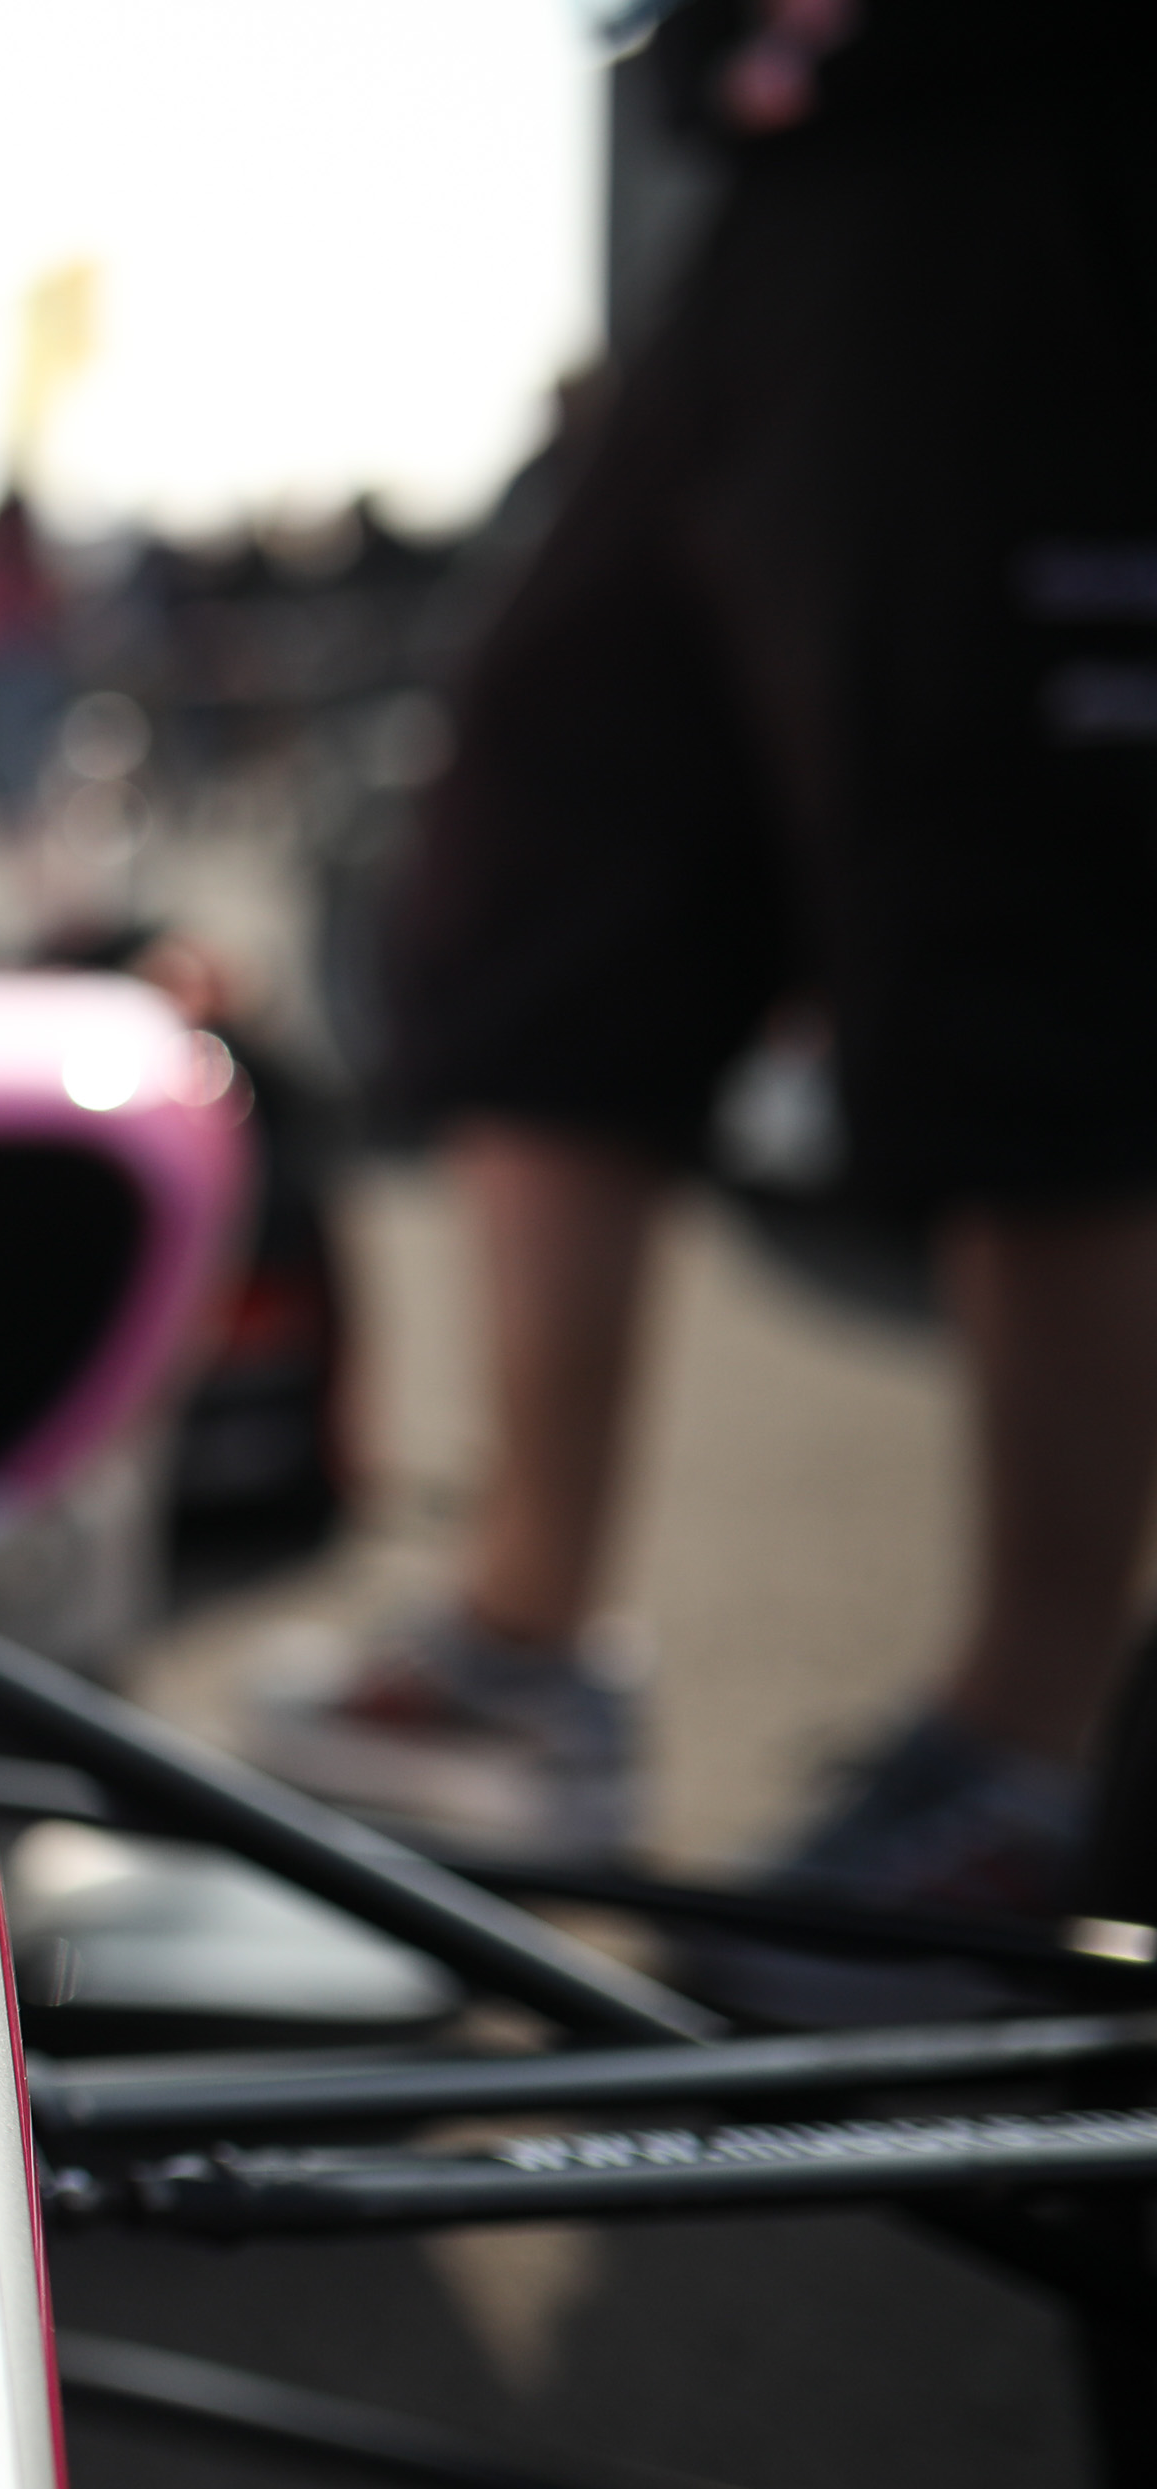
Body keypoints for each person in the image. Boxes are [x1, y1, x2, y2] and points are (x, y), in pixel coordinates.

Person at [250, 0, 1157, 2007]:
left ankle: (1033, 1764)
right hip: (783, 155)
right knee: (548, 846)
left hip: (1037, 127)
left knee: (1016, 925)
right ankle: (522, 1651)